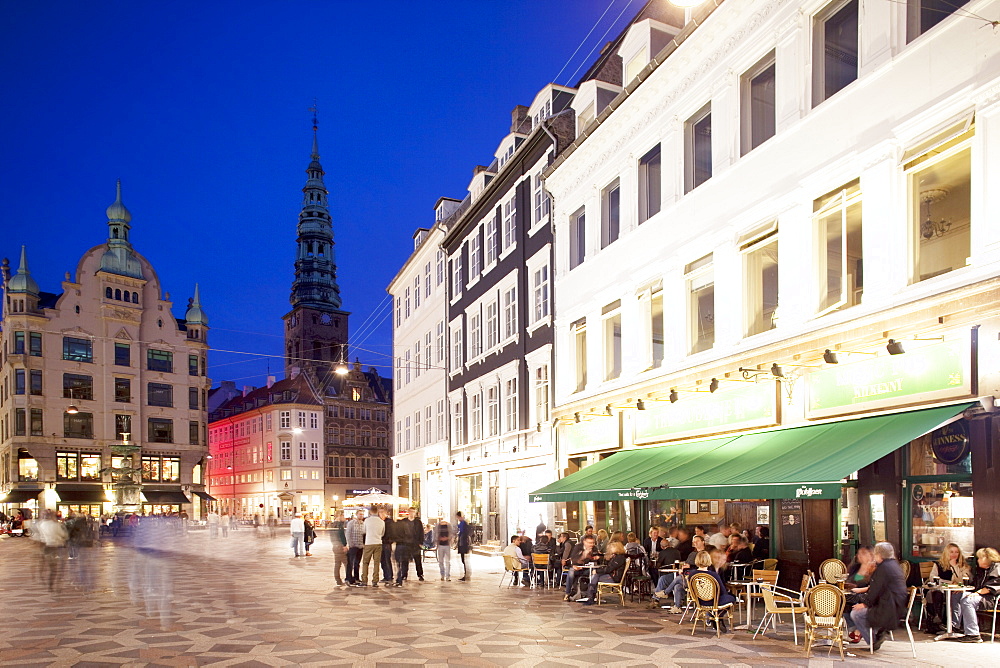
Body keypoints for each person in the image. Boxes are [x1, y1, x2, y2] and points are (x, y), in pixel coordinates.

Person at [846, 542, 908, 651]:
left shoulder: (882, 568)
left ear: (878, 555)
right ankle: (874, 633)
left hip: (889, 608)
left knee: (856, 613)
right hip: (895, 604)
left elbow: (876, 590)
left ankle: (873, 641)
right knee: (853, 605)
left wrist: (865, 604)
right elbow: (878, 588)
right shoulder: (893, 565)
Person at [951, 546, 1000, 643]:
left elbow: (992, 587)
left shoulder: (997, 568)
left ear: (987, 558)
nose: (978, 560)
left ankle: (973, 634)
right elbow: (975, 585)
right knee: (957, 595)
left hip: (992, 598)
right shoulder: (981, 570)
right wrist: (964, 590)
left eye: (980, 558)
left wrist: (976, 593)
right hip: (982, 595)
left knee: (968, 601)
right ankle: (955, 627)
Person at [921, 542, 970, 634]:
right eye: (951, 552)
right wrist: (949, 582)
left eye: (956, 552)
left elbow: (964, 579)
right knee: (934, 594)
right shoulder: (939, 565)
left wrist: (954, 567)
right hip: (941, 589)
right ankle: (936, 622)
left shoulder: (963, 565)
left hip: (956, 590)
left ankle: (953, 625)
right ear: (946, 553)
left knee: (956, 596)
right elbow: (933, 578)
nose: (954, 554)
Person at [579, 541, 628, 605]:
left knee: (595, 577)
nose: (610, 549)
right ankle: (590, 596)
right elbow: (607, 566)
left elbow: (609, 569)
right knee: (595, 577)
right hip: (612, 575)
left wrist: (597, 571)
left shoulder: (619, 558)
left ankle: (590, 597)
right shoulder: (616, 557)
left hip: (614, 577)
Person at [563, 534, 601, 600]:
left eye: (592, 543)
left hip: (588, 568)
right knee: (571, 573)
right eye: (589, 543)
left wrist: (597, 557)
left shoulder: (594, 548)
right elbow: (573, 559)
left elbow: (597, 559)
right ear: (584, 542)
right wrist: (584, 555)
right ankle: (567, 593)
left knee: (595, 573)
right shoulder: (578, 547)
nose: (591, 544)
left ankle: (592, 594)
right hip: (577, 567)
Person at [394, 508, 424, 586]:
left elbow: (421, 532)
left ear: (415, 513)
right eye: (410, 512)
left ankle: (420, 574)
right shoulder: (403, 521)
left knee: (417, 560)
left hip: (415, 544)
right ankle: (404, 574)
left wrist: (421, 542)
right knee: (405, 560)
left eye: (413, 512)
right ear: (408, 512)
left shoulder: (418, 522)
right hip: (406, 543)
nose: (412, 513)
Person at [360, 508, 386, 587]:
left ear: (370, 512)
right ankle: (375, 581)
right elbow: (383, 533)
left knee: (365, 562)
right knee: (376, 563)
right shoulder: (382, 521)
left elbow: (363, 531)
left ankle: (364, 580)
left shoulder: (367, 521)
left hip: (369, 543)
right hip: (378, 543)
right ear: (377, 512)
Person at [345, 509, 365, 586]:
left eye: (362, 514)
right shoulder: (352, 523)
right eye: (360, 514)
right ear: (357, 515)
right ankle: (348, 578)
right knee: (350, 562)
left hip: (360, 546)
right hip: (353, 546)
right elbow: (348, 534)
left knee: (357, 563)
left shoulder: (363, 523)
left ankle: (356, 578)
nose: (361, 516)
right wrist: (350, 544)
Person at [330, 510, 348, 586]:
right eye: (343, 515)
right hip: (340, 546)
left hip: (334, 546)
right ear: (340, 516)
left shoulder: (332, 524)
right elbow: (342, 536)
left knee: (337, 564)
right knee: (347, 563)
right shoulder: (339, 526)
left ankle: (338, 580)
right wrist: (344, 545)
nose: (345, 517)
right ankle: (348, 579)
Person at [380, 508, 396, 584]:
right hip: (379, 543)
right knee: (382, 560)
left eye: (382, 512)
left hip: (386, 543)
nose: (381, 514)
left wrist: (390, 541)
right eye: (379, 512)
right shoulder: (378, 521)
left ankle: (389, 576)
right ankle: (385, 576)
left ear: (386, 513)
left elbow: (393, 532)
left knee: (387, 560)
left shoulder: (389, 522)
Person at [456, 511, 471, 581]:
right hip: (463, 543)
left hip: (463, 543)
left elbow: (461, 532)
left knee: (464, 559)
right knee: (464, 559)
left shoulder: (463, 523)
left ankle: (466, 574)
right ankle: (466, 574)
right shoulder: (463, 523)